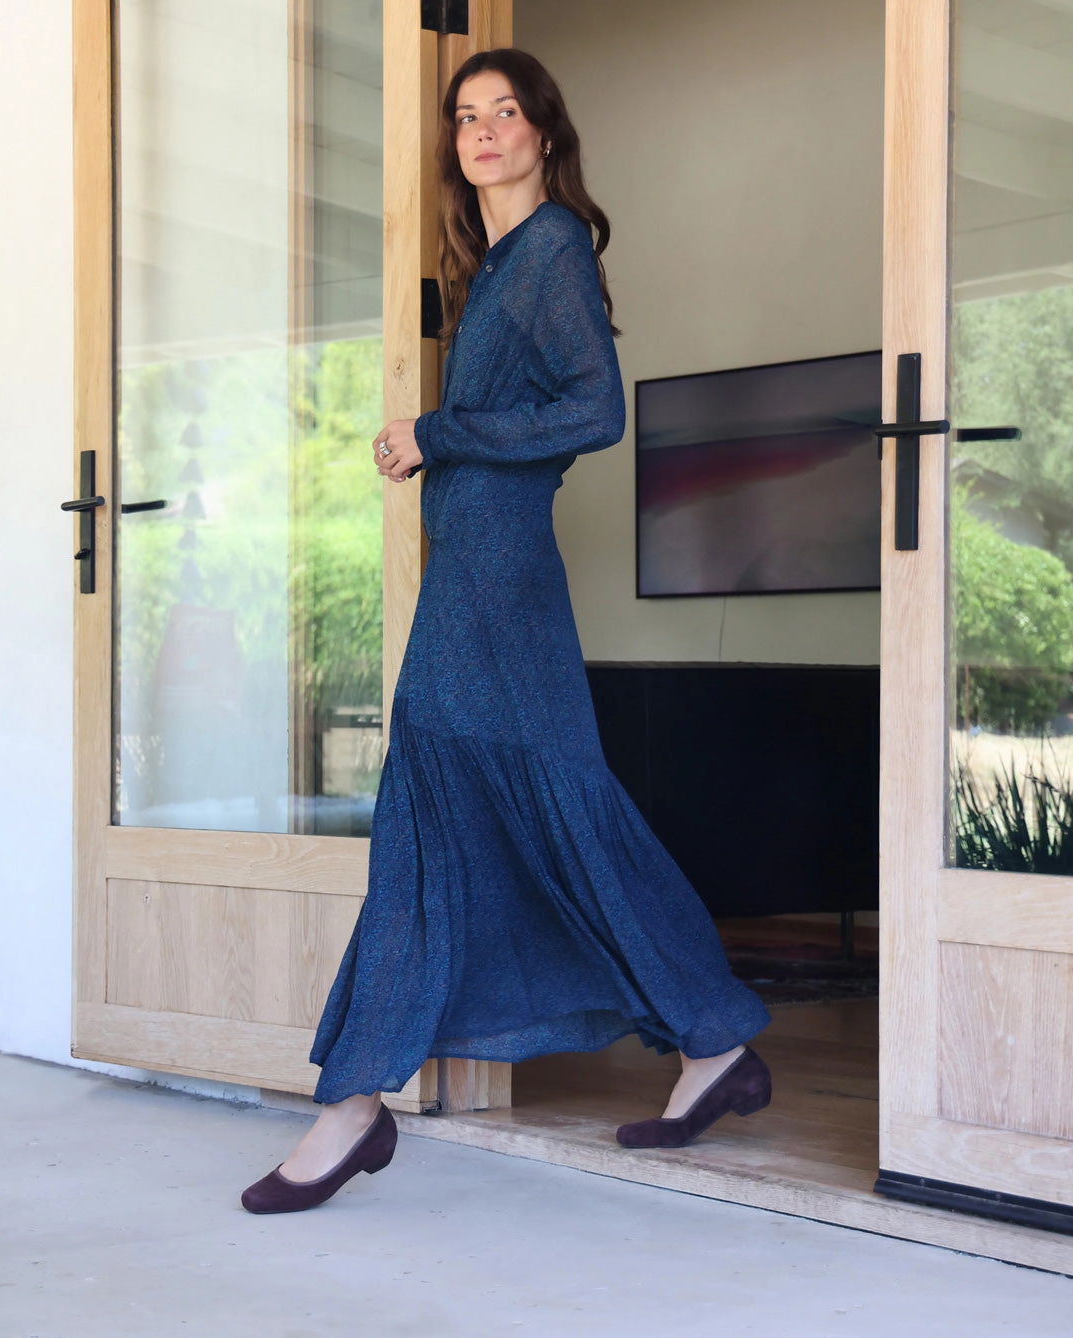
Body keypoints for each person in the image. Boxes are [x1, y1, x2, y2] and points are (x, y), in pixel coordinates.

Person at [242, 48, 771, 1216]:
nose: (485, 131)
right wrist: (440, 437)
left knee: (471, 814)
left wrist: (441, 430)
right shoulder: (498, 269)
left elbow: (595, 409)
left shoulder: (554, 250)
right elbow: (527, 414)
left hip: (500, 583)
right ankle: (714, 1040)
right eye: (467, 117)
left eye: (507, 113)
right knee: (525, 809)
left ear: (544, 135)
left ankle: (353, 1105)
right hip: (482, 578)